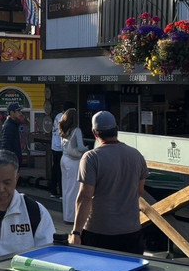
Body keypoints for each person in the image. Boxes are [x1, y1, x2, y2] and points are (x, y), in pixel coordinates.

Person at [70, 110, 148, 254]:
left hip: (98, 232)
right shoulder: (136, 155)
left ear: (95, 133)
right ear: (116, 130)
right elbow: (139, 191)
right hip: (131, 232)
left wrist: (76, 233)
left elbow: (85, 197)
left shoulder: (91, 158)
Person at [58, 108, 86, 231]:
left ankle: (66, 215)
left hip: (63, 158)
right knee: (73, 189)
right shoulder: (76, 130)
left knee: (66, 188)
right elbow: (80, 146)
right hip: (73, 161)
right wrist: (87, 148)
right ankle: (71, 217)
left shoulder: (63, 129)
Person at [49, 104, 66, 198]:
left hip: (54, 145)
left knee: (55, 168)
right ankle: (61, 192)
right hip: (61, 146)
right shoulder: (64, 117)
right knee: (61, 170)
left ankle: (53, 190)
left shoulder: (57, 116)